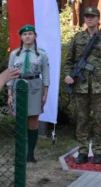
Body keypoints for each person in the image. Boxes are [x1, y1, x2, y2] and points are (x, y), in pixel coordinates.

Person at [64, 7, 101, 165]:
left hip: (100, 87)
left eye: (92, 16)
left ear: (98, 18)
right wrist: (68, 75)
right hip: (80, 86)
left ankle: (98, 151)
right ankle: (82, 151)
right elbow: (69, 61)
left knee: (99, 119)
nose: (89, 19)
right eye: (87, 16)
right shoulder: (77, 38)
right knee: (82, 119)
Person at [7, 24, 50, 163]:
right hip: (18, 87)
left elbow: (46, 75)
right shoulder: (15, 54)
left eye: (30, 34)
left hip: (35, 87)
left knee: (33, 121)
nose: (27, 36)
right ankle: (20, 153)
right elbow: (10, 75)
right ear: (21, 37)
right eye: (25, 34)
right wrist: (9, 94)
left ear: (35, 36)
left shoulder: (41, 54)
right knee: (20, 121)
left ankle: (30, 154)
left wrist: (45, 94)